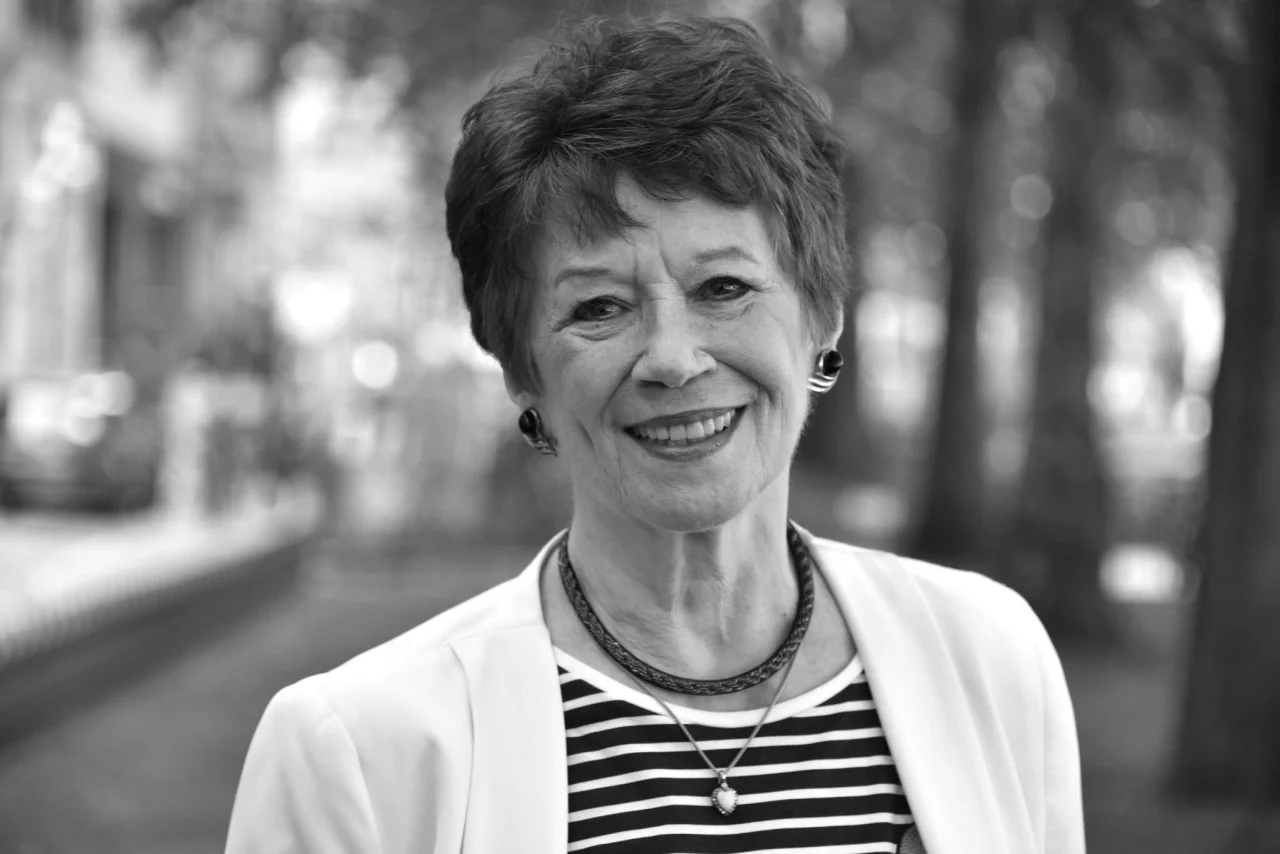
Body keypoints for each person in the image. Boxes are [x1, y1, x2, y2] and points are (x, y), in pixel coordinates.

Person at [225, 15, 1084, 854]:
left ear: (822, 315)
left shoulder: (989, 659)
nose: (672, 359)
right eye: (599, 307)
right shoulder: (357, 753)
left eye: (724, 288)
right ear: (523, 370)